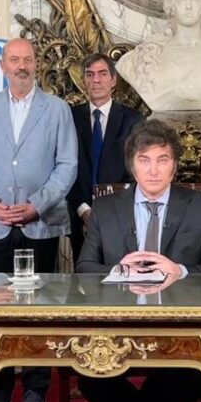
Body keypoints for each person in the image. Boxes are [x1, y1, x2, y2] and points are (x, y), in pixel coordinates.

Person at [76, 119, 201, 402]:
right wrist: (119, 270)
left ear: (175, 165)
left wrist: (180, 270)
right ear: (132, 165)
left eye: (163, 160)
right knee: (89, 374)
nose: (154, 170)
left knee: (188, 378)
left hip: (181, 328)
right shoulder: (106, 208)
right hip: (117, 325)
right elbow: (84, 267)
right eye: (144, 160)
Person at [0, 37, 78, 402]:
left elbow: (67, 166)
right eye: (14, 60)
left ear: (35, 64)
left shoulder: (57, 110)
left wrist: (37, 205)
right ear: (4, 66)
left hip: (39, 225)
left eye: (27, 59)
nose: (21, 66)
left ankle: (35, 390)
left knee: (37, 310)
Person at [67, 53, 144, 260]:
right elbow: (63, 168)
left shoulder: (133, 119)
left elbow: (137, 170)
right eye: (90, 74)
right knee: (84, 273)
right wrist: (83, 210)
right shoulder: (69, 117)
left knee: (120, 273)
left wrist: (109, 210)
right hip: (79, 215)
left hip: (120, 216)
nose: (96, 80)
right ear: (84, 80)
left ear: (113, 80)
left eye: (102, 74)